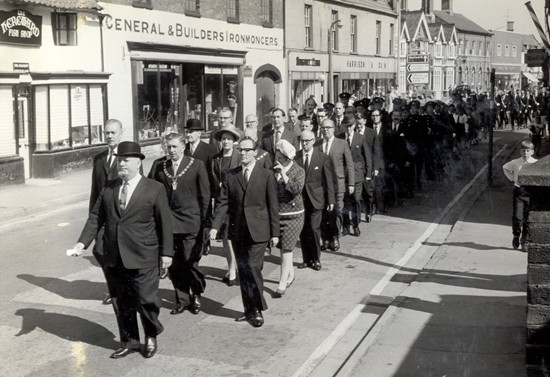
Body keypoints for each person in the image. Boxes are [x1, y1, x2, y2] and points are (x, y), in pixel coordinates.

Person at [72, 141, 173, 359]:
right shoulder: (110, 187)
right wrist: (82, 243)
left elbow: (165, 223)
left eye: (126, 160)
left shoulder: (154, 189)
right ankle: (130, 341)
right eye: (119, 160)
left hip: (144, 255)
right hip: (115, 255)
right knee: (121, 300)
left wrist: (167, 254)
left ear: (138, 162)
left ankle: (151, 333)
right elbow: (96, 217)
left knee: (146, 300)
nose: (122, 164)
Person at [210, 136, 280, 328]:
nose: (243, 153)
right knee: (243, 270)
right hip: (238, 230)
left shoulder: (266, 175)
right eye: (240, 150)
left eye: (247, 150)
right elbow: (223, 203)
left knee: (252, 266)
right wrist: (215, 226)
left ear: (255, 152)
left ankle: (257, 308)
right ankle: (249, 309)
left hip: (260, 230)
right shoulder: (231, 175)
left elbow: (273, 205)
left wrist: (275, 233)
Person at [148, 132, 210, 316]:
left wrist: (206, 224)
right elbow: (151, 192)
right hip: (169, 224)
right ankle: (182, 299)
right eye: (169, 147)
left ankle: (197, 293)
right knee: (174, 264)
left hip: (191, 222)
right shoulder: (161, 167)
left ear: (183, 147)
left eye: (175, 146)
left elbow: (205, 196)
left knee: (190, 261)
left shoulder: (196, 165)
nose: (171, 150)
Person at [89, 119, 125, 305]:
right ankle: (114, 288)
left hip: (120, 214)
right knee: (99, 250)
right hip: (102, 215)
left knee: (119, 254)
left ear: (121, 133)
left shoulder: (129, 156)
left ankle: (121, 289)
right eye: (107, 133)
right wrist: (92, 220)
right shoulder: (99, 159)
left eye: (113, 132)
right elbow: (95, 191)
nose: (110, 136)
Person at [295, 130, 335, 271]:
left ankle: (316, 258)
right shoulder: (296, 157)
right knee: (303, 230)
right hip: (301, 200)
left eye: (307, 141)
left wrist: (331, 200)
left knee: (314, 228)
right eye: (303, 141)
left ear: (313, 141)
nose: (305, 144)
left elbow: (328, 180)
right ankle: (306, 259)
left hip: (316, 199)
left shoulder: (322, 157)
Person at [272, 140, 305, 297]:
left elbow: (296, 189)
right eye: (276, 155)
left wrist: (283, 175)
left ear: (287, 159)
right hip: (278, 215)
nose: (276, 159)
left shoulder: (298, 171)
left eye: (280, 156)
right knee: (284, 249)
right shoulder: (273, 170)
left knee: (286, 248)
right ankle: (290, 274)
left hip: (293, 216)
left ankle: (282, 283)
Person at [210, 126, 242, 286]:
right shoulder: (216, 159)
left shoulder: (239, 156)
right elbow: (213, 179)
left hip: (237, 202)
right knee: (226, 237)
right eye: (223, 139)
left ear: (234, 141)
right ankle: (232, 268)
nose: (226, 141)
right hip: (223, 202)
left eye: (229, 139)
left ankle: (238, 266)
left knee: (237, 236)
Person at [319, 118, 354, 252]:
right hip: (322, 186)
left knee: (337, 211)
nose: (325, 130)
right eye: (323, 128)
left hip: (338, 184)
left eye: (328, 127)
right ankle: (325, 238)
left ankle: (335, 237)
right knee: (323, 212)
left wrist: (351, 183)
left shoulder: (342, 143)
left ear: (333, 129)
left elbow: (349, 164)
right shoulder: (317, 144)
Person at [184, 119, 216, 255]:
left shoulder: (209, 149)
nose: (188, 134)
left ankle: (205, 242)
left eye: (191, 132)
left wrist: (213, 194)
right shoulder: (183, 149)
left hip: (203, 191)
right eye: (187, 132)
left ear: (199, 133)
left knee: (204, 218)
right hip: (187, 192)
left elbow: (213, 172)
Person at [338, 115, 371, 236]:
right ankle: (346, 226)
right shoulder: (339, 138)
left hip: (357, 174)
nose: (348, 129)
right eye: (346, 126)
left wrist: (368, 173)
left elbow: (367, 156)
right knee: (345, 201)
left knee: (356, 199)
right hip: (343, 174)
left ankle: (356, 225)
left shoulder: (360, 138)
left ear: (354, 126)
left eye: (350, 126)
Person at [502, 140, 538, 251]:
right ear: (520, 152)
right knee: (518, 217)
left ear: (532, 152)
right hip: (519, 191)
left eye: (528, 150)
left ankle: (525, 240)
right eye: (523, 150)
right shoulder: (516, 162)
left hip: (531, 192)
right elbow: (505, 168)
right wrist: (513, 179)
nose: (525, 153)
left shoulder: (536, 163)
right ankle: (516, 235)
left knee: (528, 218)